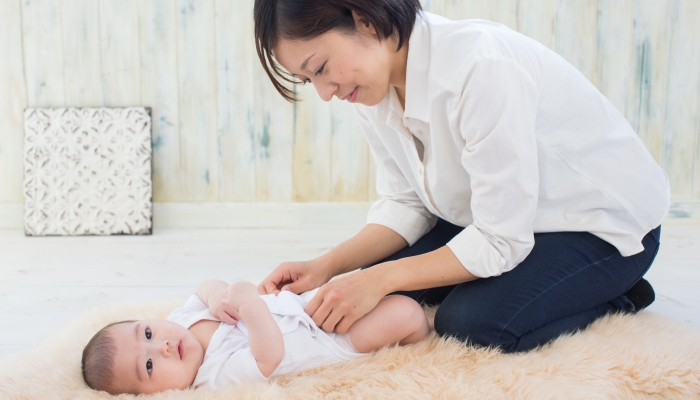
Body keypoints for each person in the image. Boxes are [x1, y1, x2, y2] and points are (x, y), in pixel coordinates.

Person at [254, 0, 669, 353]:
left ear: (364, 19)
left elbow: (500, 239)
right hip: (503, 217)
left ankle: (622, 295)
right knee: (379, 289)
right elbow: (406, 203)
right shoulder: (369, 86)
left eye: (321, 67)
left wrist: (381, 277)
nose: (326, 93)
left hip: (604, 227)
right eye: (311, 81)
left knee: (471, 323)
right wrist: (326, 265)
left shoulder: (480, 67)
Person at [81, 279, 430, 394]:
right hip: (327, 341)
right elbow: (269, 356)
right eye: (149, 364)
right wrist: (251, 307)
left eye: (147, 333)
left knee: (365, 284)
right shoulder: (212, 376)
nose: (164, 345)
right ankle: (421, 340)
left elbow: (204, 288)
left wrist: (217, 295)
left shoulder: (181, 320)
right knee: (406, 312)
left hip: (302, 305)